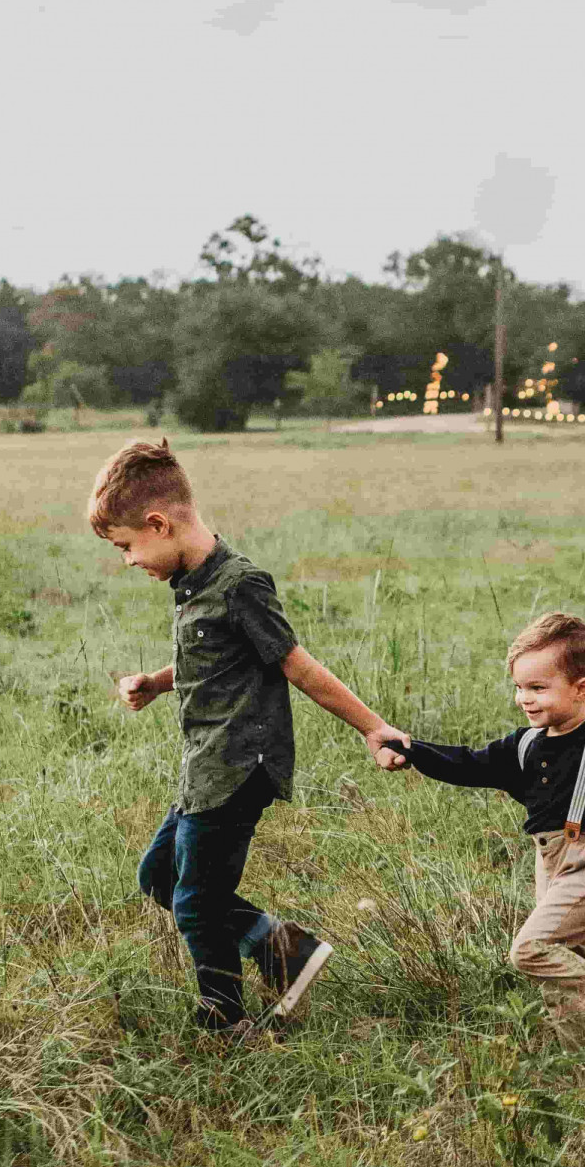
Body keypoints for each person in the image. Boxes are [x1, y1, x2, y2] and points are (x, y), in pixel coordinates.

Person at [90, 438, 396, 1042]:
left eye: (126, 546)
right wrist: (157, 681)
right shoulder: (196, 586)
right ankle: (282, 949)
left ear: (159, 523)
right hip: (204, 767)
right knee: (158, 878)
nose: (127, 560)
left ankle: (226, 1022)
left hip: (237, 767)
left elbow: (298, 666)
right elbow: (218, 660)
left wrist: (374, 728)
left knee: (197, 902)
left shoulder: (239, 583)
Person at [378, 612, 585, 1050]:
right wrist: (411, 749)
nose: (525, 699)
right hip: (549, 866)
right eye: (520, 687)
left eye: (538, 688)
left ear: (582, 689)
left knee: (531, 951)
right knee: (562, 968)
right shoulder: (524, 744)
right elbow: (466, 764)